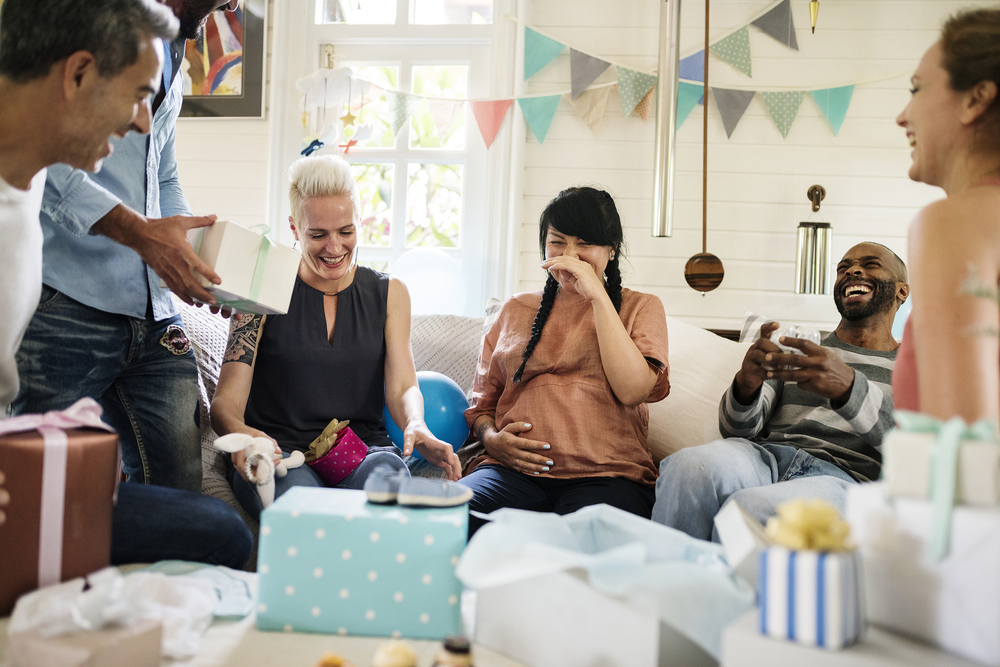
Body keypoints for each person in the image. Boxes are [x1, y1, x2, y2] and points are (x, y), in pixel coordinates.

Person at [0, 0, 250, 568]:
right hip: (73, 298)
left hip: (154, 314)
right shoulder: (82, 45)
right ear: (80, 73)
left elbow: (161, 174)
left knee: (196, 516)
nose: (142, 118)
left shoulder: (170, 50)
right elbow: (53, 156)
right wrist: (141, 236)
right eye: (136, 96)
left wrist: (188, 254)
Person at [210, 154, 462, 520]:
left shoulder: (391, 293)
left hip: (363, 452)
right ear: (294, 228)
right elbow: (225, 404)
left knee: (389, 492)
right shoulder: (261, 289)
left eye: (346, 231)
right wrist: (244, 436)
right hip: (279, 455)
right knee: (306, 512)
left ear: (359, 222)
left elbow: (403, 386)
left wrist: (415, 424)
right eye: (318, 234)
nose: (334, 247)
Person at [652, 243, 909, 541]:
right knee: (687, 467)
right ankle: (666, 584)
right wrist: (747, 382)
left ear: (902, 291)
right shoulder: (799, 346)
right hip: (765, 457)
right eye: (843, 267)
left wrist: (849, 388)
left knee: (751, 510)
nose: (852, 270)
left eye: (871, 264)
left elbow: (913, 450)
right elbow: (737, 431)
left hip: (843, 479)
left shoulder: (913, 368)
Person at [463, 187, 670, 536]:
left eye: (584, 244)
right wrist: (493, 439)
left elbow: (633, 390)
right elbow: (482, 406)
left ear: (611, 249)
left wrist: (597, 297)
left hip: (607, 477)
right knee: (446, 519)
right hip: (511, 474)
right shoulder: (515, 310)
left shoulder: (641, 307)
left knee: (578, 550)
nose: (569, 255)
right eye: (557, 242)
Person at [893, 9, 1000, 423]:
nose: (902, 115)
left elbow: (962, 444)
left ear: (975, 98)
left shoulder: (952, 223)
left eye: (917, 89)